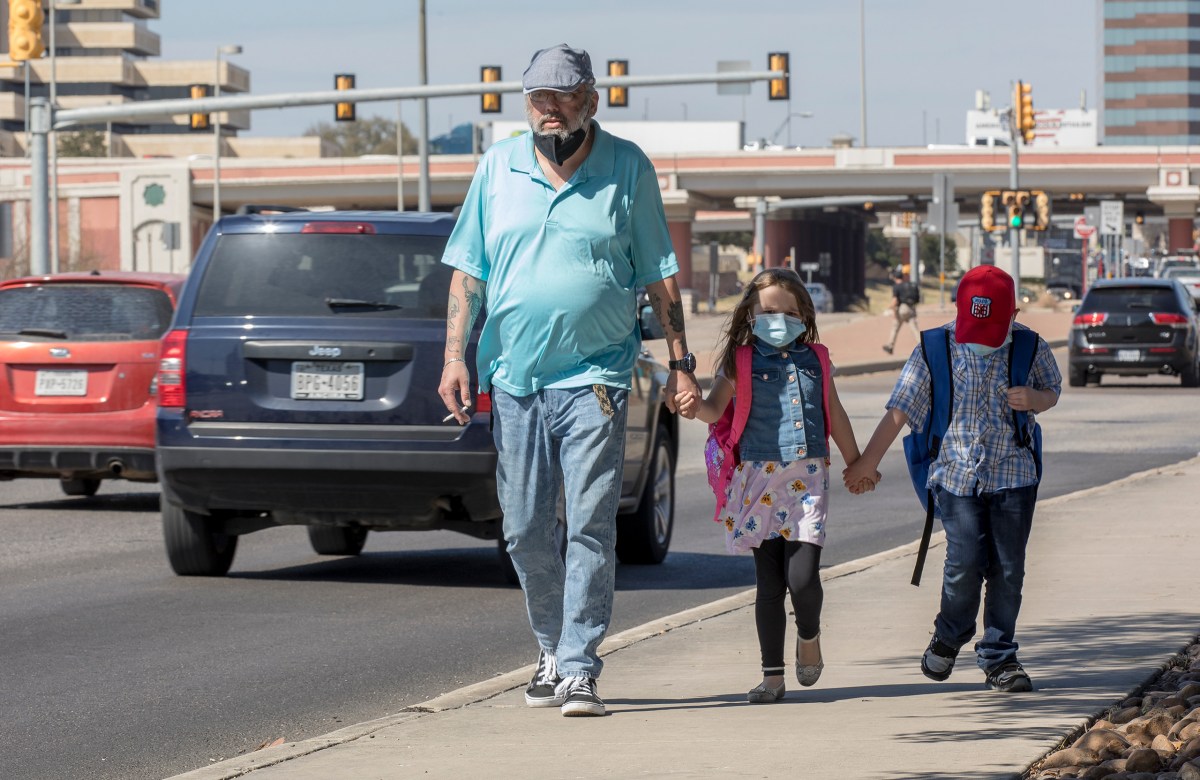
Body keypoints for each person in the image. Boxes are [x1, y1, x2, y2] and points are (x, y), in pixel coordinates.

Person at [436, 43, 701, 718]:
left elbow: (659, 275)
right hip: (517, 378)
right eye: (538, 98)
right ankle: (550, 646)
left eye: (561, 96)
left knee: (588, 522)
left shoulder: (626, 167)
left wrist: (681, 362)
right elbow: (469, 273)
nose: (548, 109)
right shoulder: (498, 168)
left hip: (598, 377)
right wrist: (454, 358)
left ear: (591, 97)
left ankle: (580, 665)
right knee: (524, 527)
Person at [844, 265, 1061, 693]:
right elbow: (900, 409)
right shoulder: (933, 348)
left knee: (1008, 570)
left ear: (1013, 315)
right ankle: (949, 634)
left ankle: (1000, 657)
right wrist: (867, 462)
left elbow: (1052, 389)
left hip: (1013, 476)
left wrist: (1035, 399)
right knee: (963, 563)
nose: (980, 341)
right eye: (973, 328)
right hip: (955, 477)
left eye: (992, 331)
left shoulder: (1031, 346)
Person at [674, 268, 878, 704]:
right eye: (768, 311)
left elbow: (835, 414)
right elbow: (714, 410)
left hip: (807, 480)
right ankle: (771, 676)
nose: (778, 319)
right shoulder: (740, 361)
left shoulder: (818, 359)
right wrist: (691, 407)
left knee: (802, 579)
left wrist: (857, 462)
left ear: (804, 315)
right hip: (756, 480)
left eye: (788, 311)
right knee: (769, 585)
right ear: (750, 314)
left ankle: (809, 633)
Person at [883, 267, 921, 355]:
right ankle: (922, 346)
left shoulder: (896, 287)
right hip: (912, 308)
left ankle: (890, 346)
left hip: (903, 309)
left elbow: (895, 301)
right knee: (914, 329)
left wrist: (891, 310)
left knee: (895, 327)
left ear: (895, 278)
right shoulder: (907, 285)